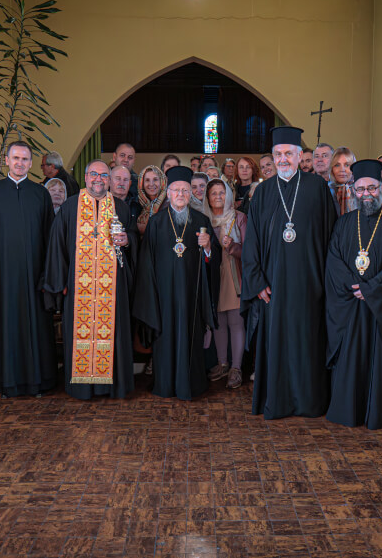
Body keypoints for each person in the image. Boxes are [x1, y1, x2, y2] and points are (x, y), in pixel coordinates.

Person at [243, 126, 338, 419]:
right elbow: (252, 242)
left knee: (308, 344)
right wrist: (257, 282)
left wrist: (326, 282)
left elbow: (331, 238)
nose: (283, 159)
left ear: (299, 157)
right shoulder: (262, 193)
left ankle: (309, 403)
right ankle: (279, 401)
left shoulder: (318, 188)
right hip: (273, 287)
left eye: (288, 154)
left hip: (311, 285)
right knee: (277, 344)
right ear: (272, 158)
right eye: (278, 154)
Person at [324, 159, 382, 429]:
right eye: (360, 190)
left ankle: (377, 411)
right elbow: (334, 260)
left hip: (380, 308)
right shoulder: (345, 223)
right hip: (351, 306)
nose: (366, 195)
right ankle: (347, 410)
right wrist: (356, 286)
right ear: (353, 191)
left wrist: (371, 288)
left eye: (372, 189)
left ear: (381, 188)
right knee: (349, 357)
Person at [0, 141, 57, 398]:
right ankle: (8, 383)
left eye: (25, 159)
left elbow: (49, 237)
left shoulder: (40, 194)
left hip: (34, 279)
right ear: (7, 160)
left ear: (31, 163)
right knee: (7, 330)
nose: (20, 163)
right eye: (15, 158)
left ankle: (38, 382)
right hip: (2, 277)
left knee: (36, 329)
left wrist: (46, 277)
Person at [41, 160, 136, 400]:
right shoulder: (70, 207)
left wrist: (128, 241)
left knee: (112, 334)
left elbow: (133, 239)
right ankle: (83, 386)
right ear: (85, 177)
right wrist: (59, 283)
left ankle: (111, 386)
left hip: (112, 290)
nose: (98, 179)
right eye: (94, 174)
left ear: (109, 180)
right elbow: (57, 247)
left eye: (104, 175)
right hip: (79, 289)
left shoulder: (121, 208)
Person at [133, 166, 220, 400]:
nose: (180, 194)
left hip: (192, 295)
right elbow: (146, 263)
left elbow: (214, 260)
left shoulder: (201, 221)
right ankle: (166, 384)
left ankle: (191, 384)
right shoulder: (156, 223)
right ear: (168, 193)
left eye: (185, 190)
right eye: (176, 190)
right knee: (166, 339)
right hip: (163, 297)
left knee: (191, 337)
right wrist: (151, 295)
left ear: (190, 193)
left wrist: (209, 247)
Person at [202, 178, 247, 389]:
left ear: (228, 195)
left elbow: (250, 251)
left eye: (222, 193)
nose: (218, 197)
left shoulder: (239, 218)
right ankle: (222, 364)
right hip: (212, 275)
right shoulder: (203, 220)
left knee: (235, 323)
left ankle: (236, 368)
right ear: (208, 199)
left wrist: (234, 247)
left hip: (233, 274)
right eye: (213, 194)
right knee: (218, 322)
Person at [135, 165, 167, 236]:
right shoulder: (137, 204)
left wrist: (145, 228)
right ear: (141, 184)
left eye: (155, 179)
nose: (151, 184)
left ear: (162, 182)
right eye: (147, 180)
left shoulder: (169, 204)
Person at [327, 146, 356, 216]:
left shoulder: (361, 191)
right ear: (332, 169)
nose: (342, 170)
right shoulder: (325, 191)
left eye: (347, 165)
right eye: (337, 165)